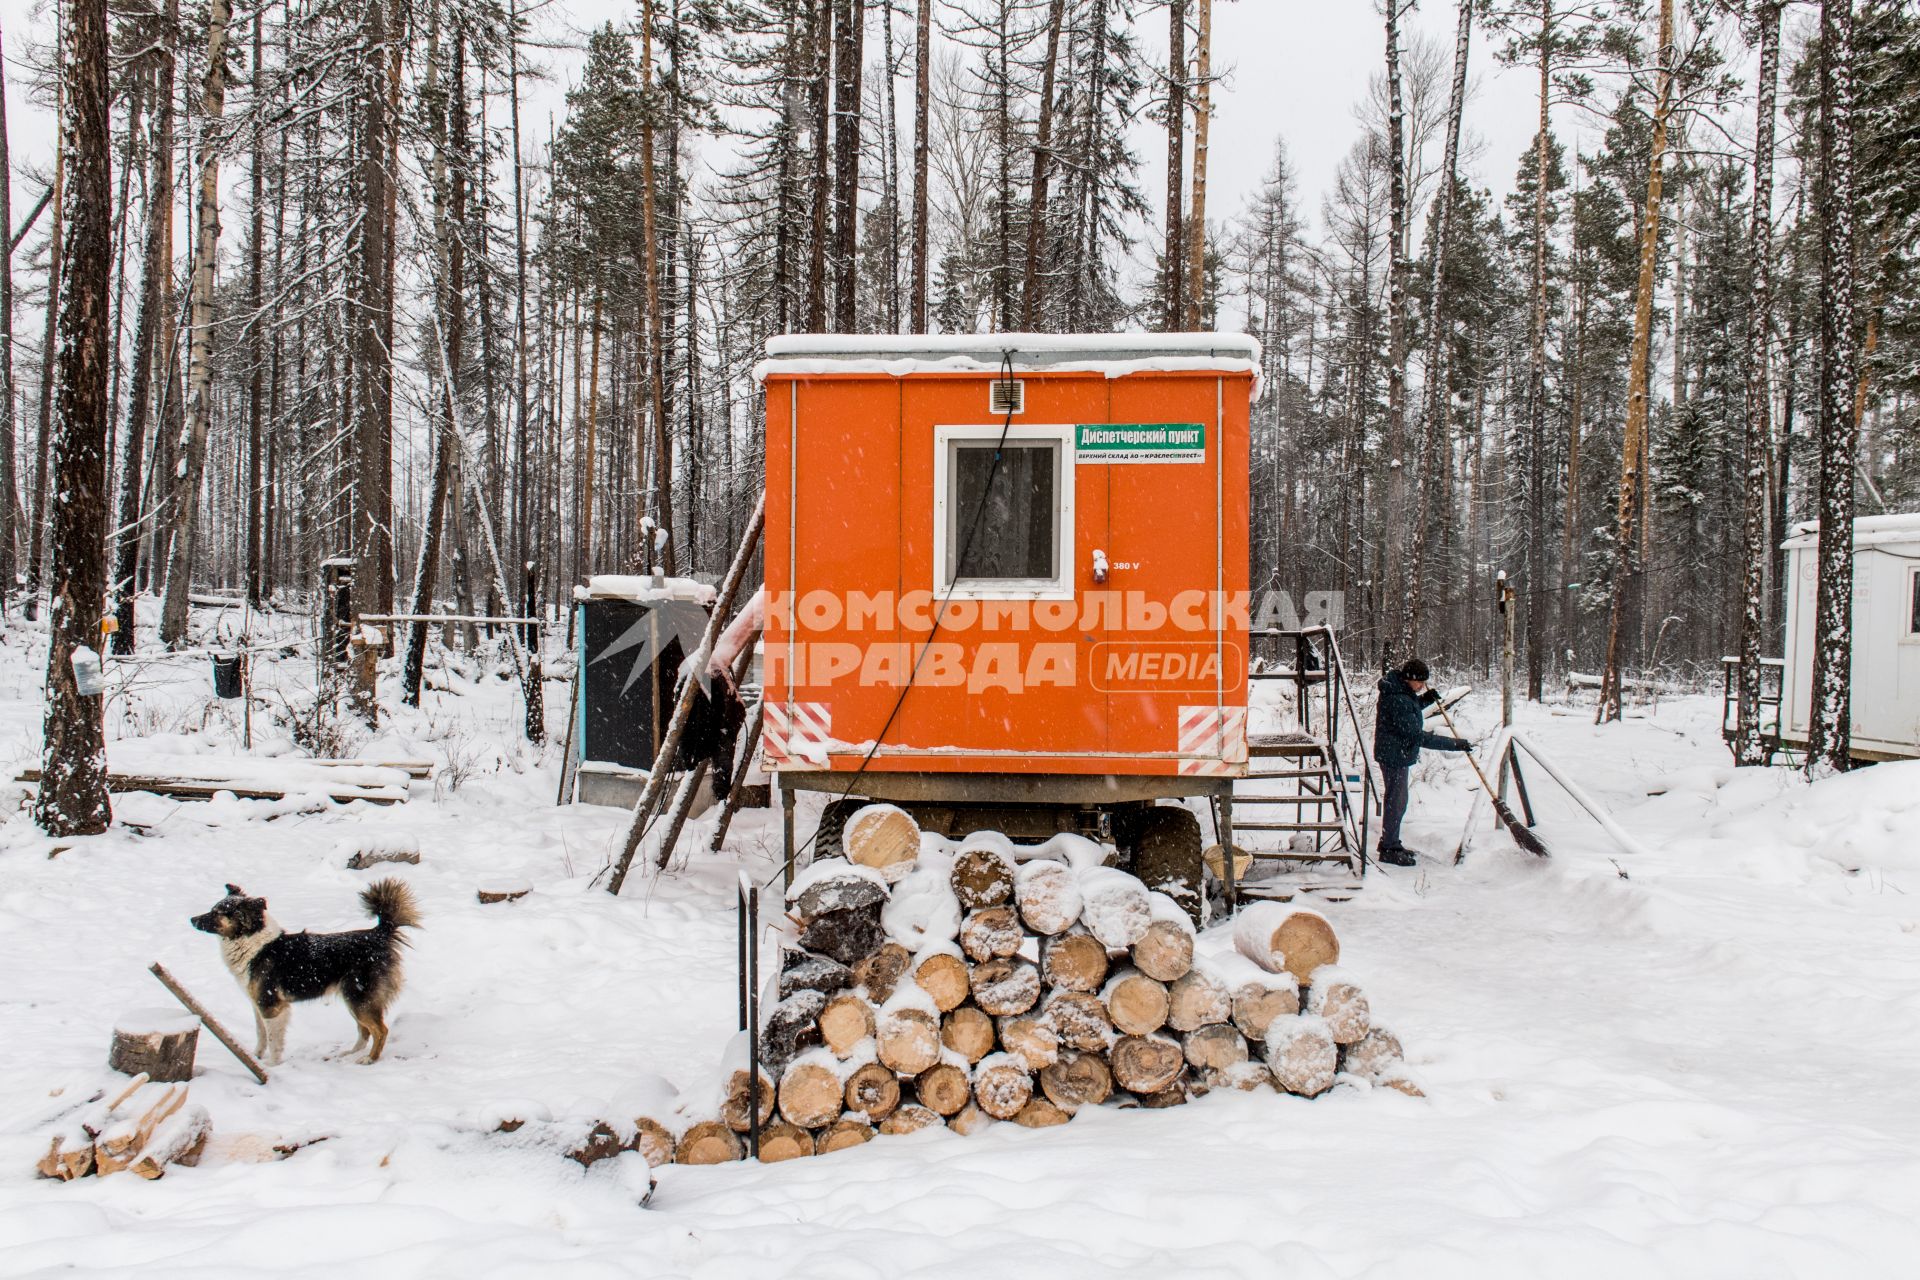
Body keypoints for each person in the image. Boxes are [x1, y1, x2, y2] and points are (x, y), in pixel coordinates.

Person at [1371, 657, 1471, 866]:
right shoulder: (1397, 697)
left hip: (1396, 753)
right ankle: (1389, 848)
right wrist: (1455, 744)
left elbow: (1410, 706)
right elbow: (1417, 736)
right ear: (1410, 678)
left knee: (1397, 801)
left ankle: (1391, 842)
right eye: (1421, 682)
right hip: (1394, 755)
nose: (1422, 686)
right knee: (1396, 802)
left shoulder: (1400, 691)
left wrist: (1425, 699)